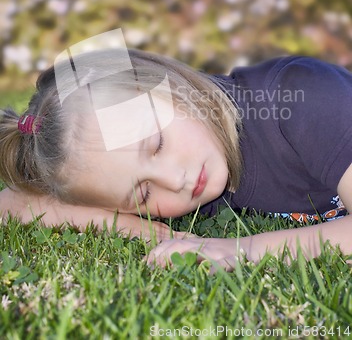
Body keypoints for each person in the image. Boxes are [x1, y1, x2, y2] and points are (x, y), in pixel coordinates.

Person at [0, 47, 351, 271]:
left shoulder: (303, 99)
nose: (175, 180)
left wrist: (241, 249)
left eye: (156, 145)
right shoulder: (200, 158)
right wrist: (132, 226)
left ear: (170, 84)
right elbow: (11, 202)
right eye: (143, 194)